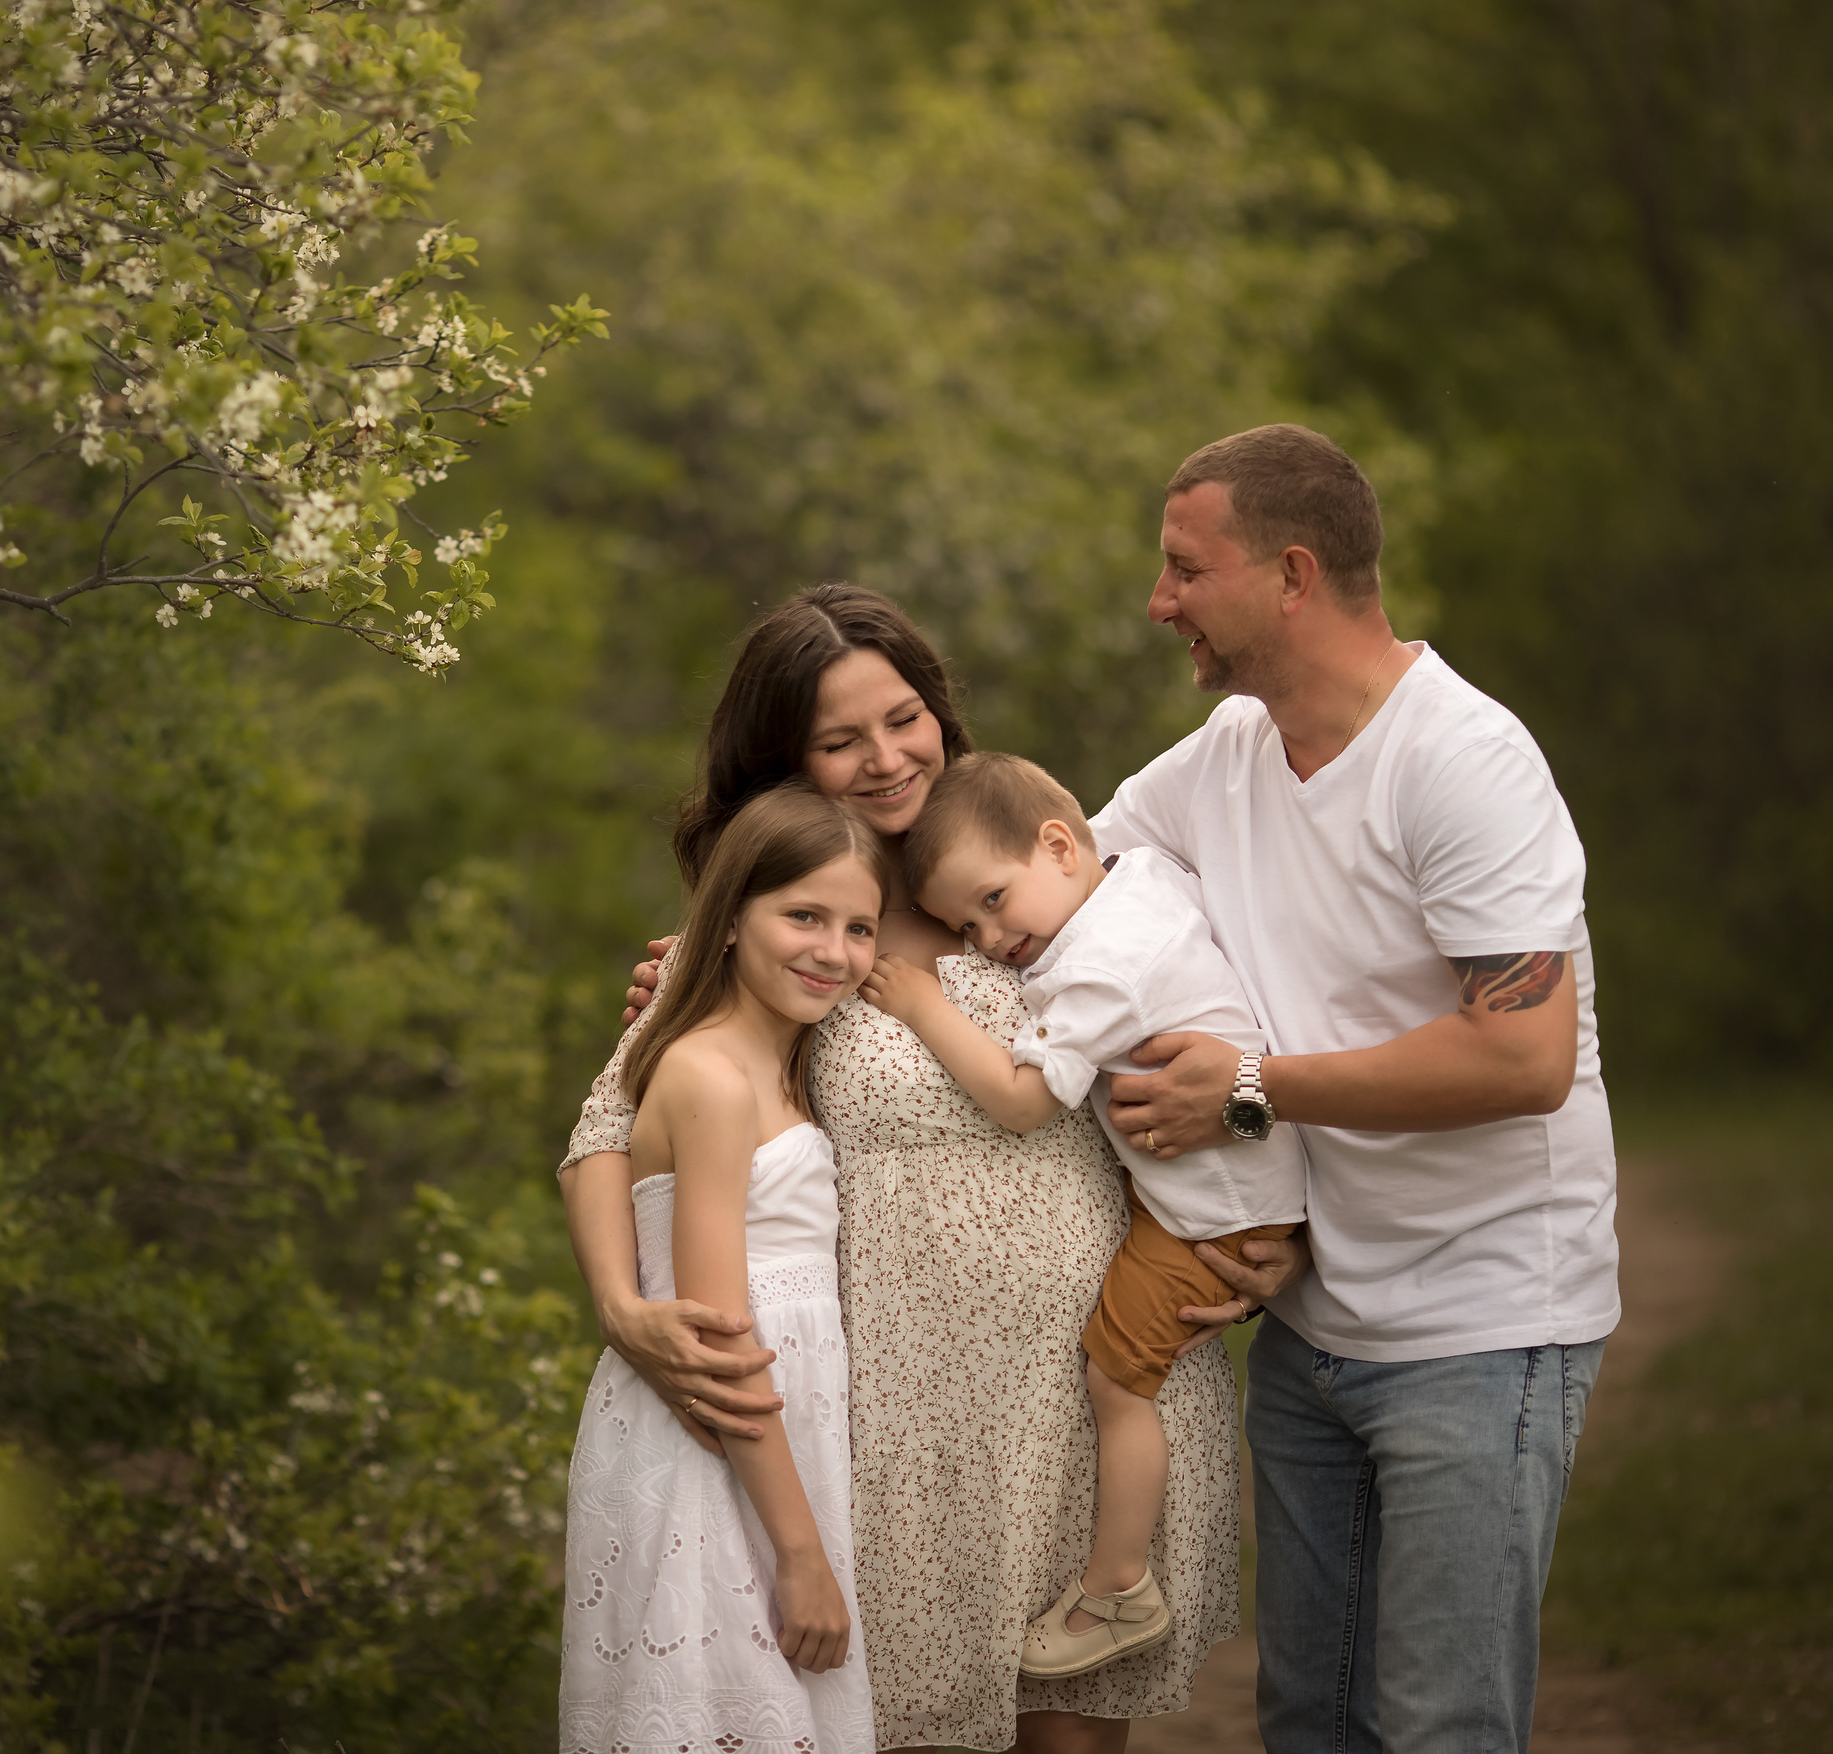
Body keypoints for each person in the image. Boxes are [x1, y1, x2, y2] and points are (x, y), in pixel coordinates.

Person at [563, 585, 1308, 1754]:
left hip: (1093, 1376)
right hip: (898, 1417)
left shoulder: (1031, 869)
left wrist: (1259, 1229)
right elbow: (610, 1125)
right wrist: (622, 1305)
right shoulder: (792, 922)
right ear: (787, 758)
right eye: (839, 738)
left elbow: (1227, 1032)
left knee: (1072, 1739)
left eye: (902, 717)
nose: (884, 757)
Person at [1091, 424, 1617, 1753]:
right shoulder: (1227, 753)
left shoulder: (1463, 760)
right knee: (1310, 1719)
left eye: (1185, 568)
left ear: (1292, 574)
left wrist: (1248, 1087)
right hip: (1309, 1323)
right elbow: (1037, 886)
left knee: (1442, 1726)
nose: (1159, 601)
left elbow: (1523, 1055)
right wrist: (738, 948)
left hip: (1482, 1321)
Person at [859, 751, 1305, 1682]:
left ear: (1061, 846)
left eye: (991, 902)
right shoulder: (1136, 880)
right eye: (964, 925)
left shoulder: (1103, 968)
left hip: (1211, 1217)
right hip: (1231, 1187)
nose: (989, 938)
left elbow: (1025, 1101)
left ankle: (1118, 1587)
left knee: (1116, 1382)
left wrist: (924, 1004)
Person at [559, 779, 883, 1752]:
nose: (833, 951)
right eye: (803, 916)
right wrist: (801, 1555)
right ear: (730, 916)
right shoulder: (710, 1075)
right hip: (717, 1451)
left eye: (859, 928)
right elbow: (719, 1331)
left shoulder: (778, 1065)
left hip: (775, 1446)